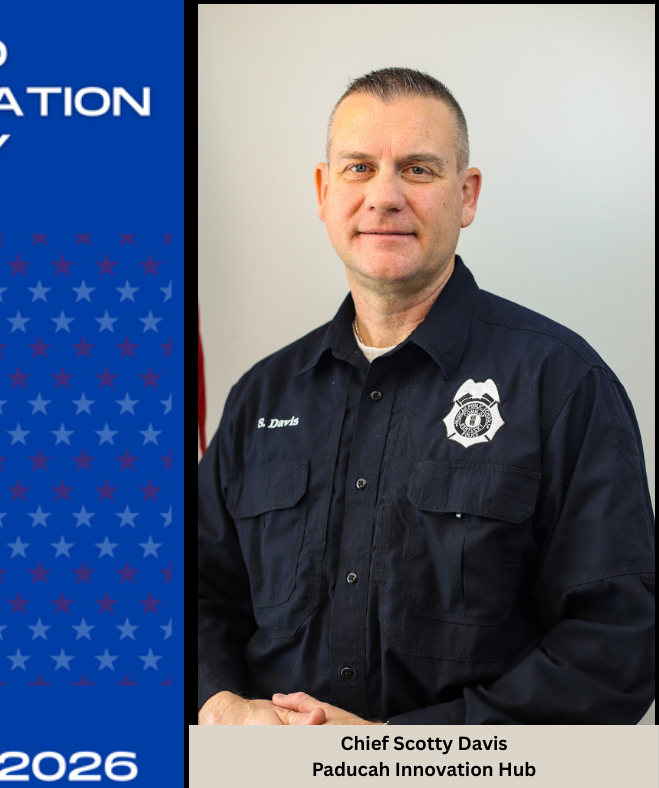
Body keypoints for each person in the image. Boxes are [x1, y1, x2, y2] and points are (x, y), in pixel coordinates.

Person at [197, 67, 655, 725]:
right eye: (358, 168)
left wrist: (399, 749)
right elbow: (198, 594)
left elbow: (616, 645)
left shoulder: (562, 386)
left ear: (466, 196)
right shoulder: (259, 396)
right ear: (324, 192)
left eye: (417, 169)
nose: (384, 196)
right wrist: (218, 701)